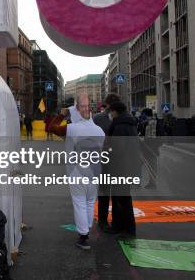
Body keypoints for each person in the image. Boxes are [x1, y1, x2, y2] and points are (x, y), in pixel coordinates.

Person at [47, 93, 105, 250]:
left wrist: (61, 114)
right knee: (89, 202)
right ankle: (86, 229)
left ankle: (83, 236)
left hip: (77, 171)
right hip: (94, 171)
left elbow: (50, 127)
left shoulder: (72, 129)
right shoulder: (100, 130)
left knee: (79, 202)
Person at [106, 101, 139, 236]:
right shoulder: (130, 124)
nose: (110, 114)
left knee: (119, 199)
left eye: (111, 111)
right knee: (125, 198)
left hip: (120, 168)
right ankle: (127, 227)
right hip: (129, 166)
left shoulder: (119, 127)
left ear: (115, 111)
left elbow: (117, 150)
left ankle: (121, 227)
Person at [92, 93, 120, 231]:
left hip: (106, 159)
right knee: (111, 191)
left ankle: (105, 220)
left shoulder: (98, 118)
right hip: (112, 159)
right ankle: (111, 220)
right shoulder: (119, 117)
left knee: (106, 191)